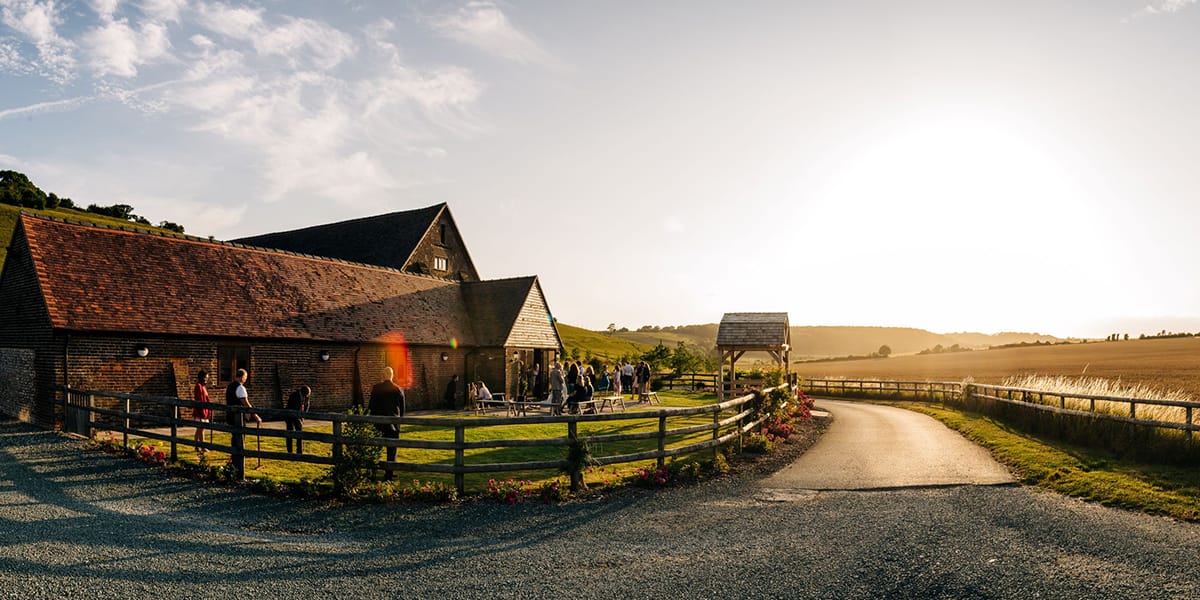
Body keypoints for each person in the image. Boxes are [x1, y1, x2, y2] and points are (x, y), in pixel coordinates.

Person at [368, 367, 405, 480]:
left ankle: (372, 472)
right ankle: (389, 473)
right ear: (392, 375)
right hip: (393, 423)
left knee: (375, 448)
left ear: (383, 375)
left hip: (377, 422)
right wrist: (399, 420)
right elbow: (402, 408)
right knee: (392, 449)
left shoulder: (376, 388)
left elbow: (371, 406)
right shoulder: (398, 389)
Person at [224, 368, 261, 475]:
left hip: (230, 415)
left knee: (235, 436)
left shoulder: (230, 386)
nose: (245, 380)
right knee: (239, 437)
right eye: (245, 377)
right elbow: (246, 404)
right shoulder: (240, 388)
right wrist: (255, 415)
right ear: (242, 377)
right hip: (238, 417)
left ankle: (233, 457)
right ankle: (237, 460)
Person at [284, 385, 310, 454]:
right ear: (303, 392)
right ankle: (290, 451)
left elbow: (306, 407)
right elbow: (291, 407)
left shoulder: (306, 397)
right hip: (290, 416)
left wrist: (302, 417)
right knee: (290, 433)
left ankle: (299, 451)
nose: (307, 396)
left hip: (298, 417)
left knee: (299, 433)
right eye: (306, 394)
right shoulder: (294, 395)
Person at [192, 370, 211, 452]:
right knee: (200, 428)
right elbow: (199, 399)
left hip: (204, 410)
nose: (207, 379)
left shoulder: (203, 386)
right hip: (200, 411)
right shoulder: (198, 386)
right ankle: (202, 446)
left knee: (200, 429)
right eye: (206, 377)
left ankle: (197, 446)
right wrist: (202, 411)